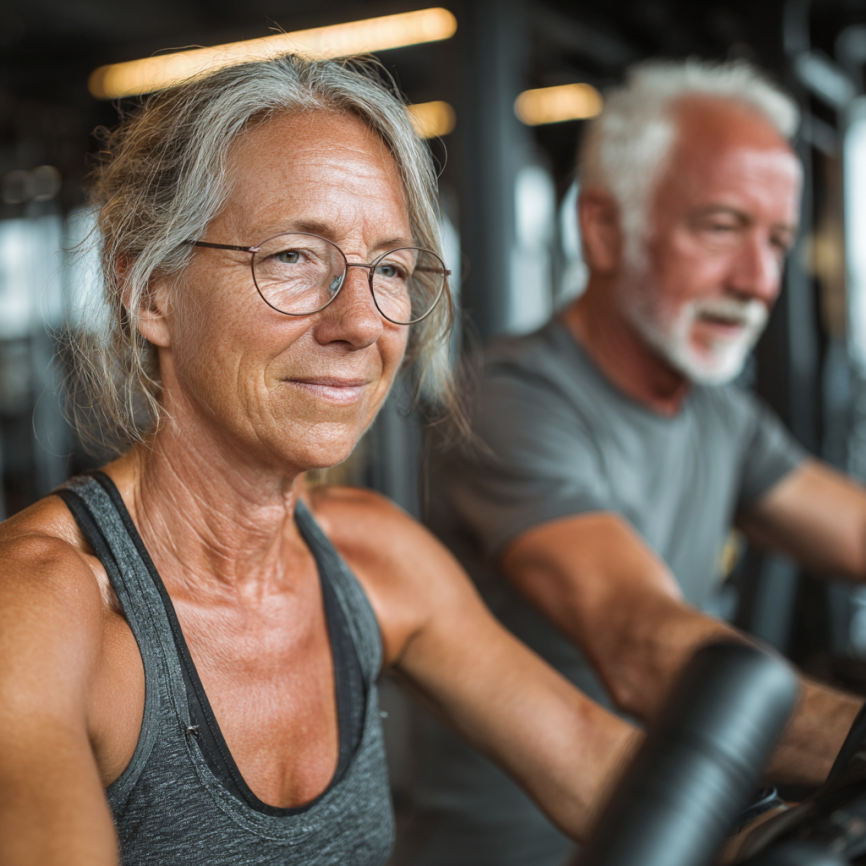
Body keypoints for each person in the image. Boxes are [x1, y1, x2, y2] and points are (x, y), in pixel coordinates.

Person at [0, 55, 641, 866]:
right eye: (293, 257)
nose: (362, 323)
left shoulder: (372, 556)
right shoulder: (40, 607)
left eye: (390, 269)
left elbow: (598, 761)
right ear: (150, 290)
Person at [398, 59, 866, 866]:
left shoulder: (719, 415)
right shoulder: (508, 403)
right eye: (720, 227)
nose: (758, 281)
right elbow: (644, 647)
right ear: (604, 229)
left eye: (777, 241)